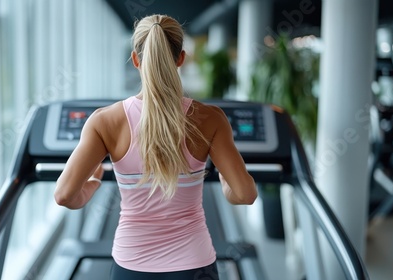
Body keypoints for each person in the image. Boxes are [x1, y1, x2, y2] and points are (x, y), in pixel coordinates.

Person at [54, 14, 257, 280]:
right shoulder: (211, 118)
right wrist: (226, 183)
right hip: (194, 265)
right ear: (181, 58)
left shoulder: (105, 121)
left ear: (136, 59)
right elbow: (245, 194)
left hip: (131, 266)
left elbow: (65, 195)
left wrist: (92, 185)